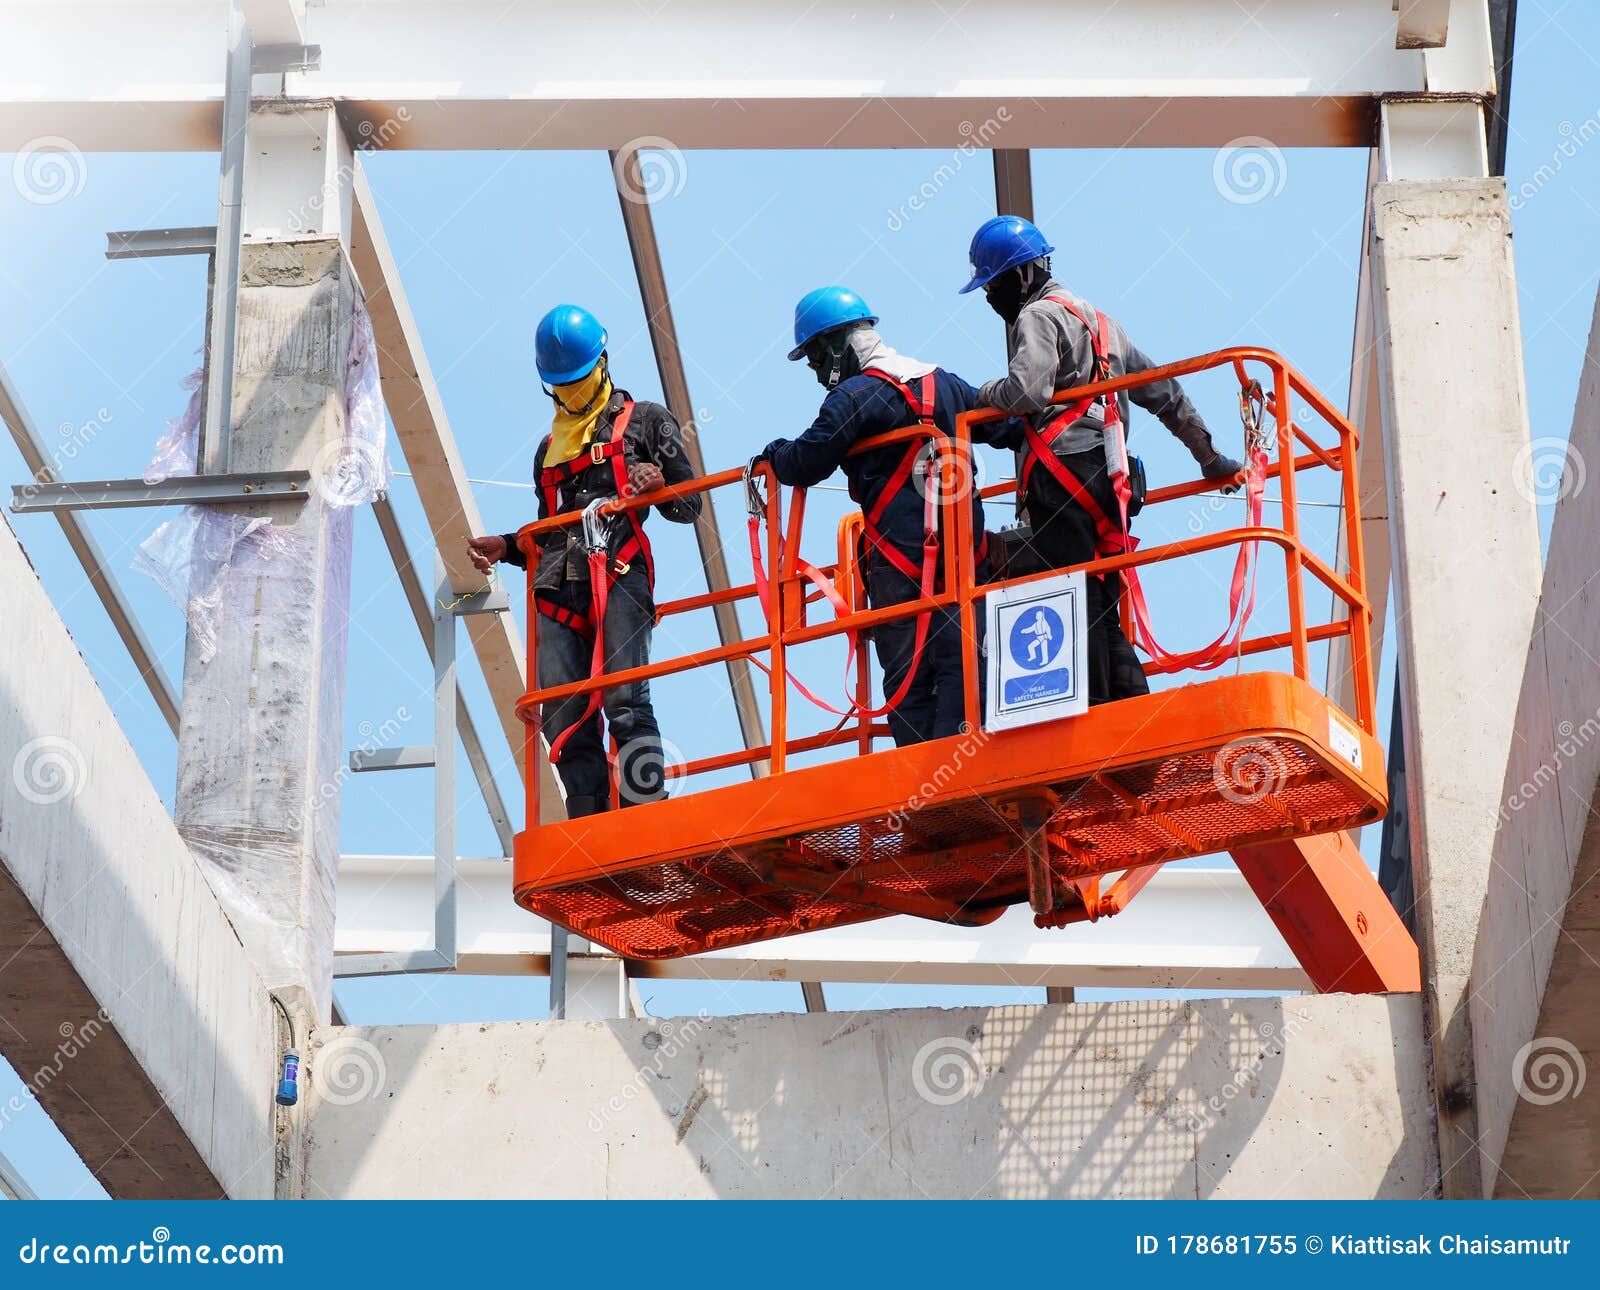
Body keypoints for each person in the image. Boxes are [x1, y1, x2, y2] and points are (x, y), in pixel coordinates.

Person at [960, 215, 1244, 704]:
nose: (990, 298)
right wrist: (1208, 455)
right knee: (1098, 601)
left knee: (1073, 598)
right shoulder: (1104, 324)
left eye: (994, 284)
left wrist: (979, 396)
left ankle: (1093, 724)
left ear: (1023, 275)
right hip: (1110, 480)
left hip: (1063, 477)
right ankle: (1132, 714)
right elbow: (1165, 392)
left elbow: (1029, 390)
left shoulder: (1037, 316)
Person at [467, 304, 700, 817]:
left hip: (620, 572)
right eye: (562, 384)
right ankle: (588, 821)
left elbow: (690, 506)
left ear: (603, 362)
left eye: (578, 379)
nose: (571, 391)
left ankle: (646, 811)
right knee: (564, 712)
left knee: (624, 699)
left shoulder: (647, 422)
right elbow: (554, 526)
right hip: (558, 584)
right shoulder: (548, 449)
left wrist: (659, 487)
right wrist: (508, 545)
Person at [752, 286, 1011, 746]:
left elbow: (805, 462)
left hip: (901, 566)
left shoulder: (853, 397)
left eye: (815, 361)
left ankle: (926, 788)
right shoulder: (944, 383)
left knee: (909, 677)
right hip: (964, 560)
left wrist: (774, 454)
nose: (817, 376)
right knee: (965, 657)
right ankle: (965, 766)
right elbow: (1005, 424)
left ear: (833, 346)